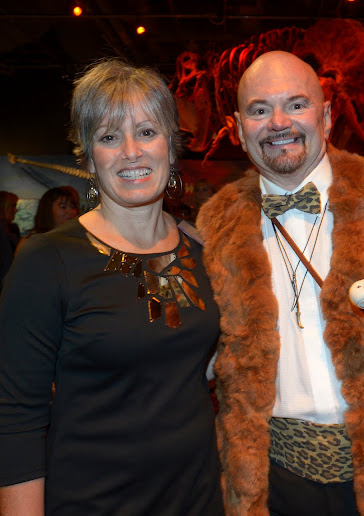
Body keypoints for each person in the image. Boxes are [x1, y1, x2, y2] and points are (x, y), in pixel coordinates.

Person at [197, 51, 364, 515]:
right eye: (259, 109)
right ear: (239, 128)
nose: (278, 122)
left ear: (327, 117)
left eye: (296, 104)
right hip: (271, 478)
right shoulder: (215, 223)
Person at [0, 59, 224, 515]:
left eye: (146, 132)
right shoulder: (47, 260)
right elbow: (16, 419)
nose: (131, 152)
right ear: (88, 155)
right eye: (108, 137)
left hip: (200, 500)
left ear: (171, 146)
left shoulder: (206, 254)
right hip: (94, 502)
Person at [15, 186, 79, 253]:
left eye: (73, 207)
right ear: (48, 210)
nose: (71, 211)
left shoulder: (77, 240)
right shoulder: (31, 243)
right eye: (63, 207)